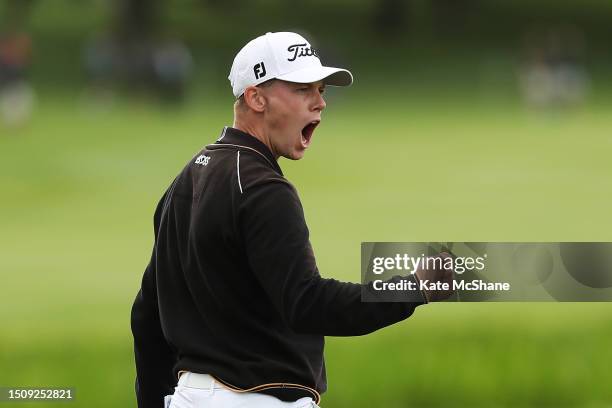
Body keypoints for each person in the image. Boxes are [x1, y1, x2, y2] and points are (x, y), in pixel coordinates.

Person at [131, 31, 453, 408]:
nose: (319, 103)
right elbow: (308, 303)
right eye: (303, 89)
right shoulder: (263, 188)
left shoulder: (185, 181)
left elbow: (146, 316)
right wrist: (413, 288)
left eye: (321, 90)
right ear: (256, 97)